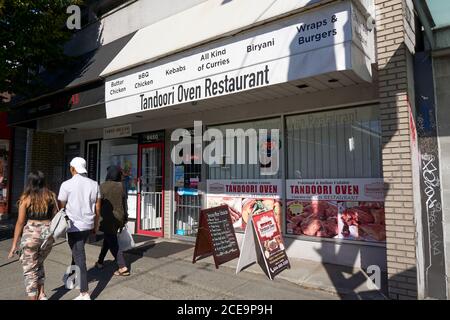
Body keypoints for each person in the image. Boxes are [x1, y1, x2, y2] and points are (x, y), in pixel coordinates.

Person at [7, 171, 58, 300]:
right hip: (47, 237)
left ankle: (33, 298)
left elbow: (20, 222)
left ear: (30, 182)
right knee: (38, 263)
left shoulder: (26, 198)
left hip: (31, 236)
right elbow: (55, 217)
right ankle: (42, 294)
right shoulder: (51, 196)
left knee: (30, 269)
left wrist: (14, 245)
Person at [58, 157, 101, 300]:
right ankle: (70, 278)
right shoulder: (94, 184)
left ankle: (84, 293)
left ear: (73, 168)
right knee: (76, 252)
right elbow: (98, 208)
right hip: (88, 225)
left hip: (73, 226)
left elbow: (61, 205)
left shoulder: (66, 184)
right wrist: (95, 226)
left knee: (79, 256)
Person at [95, 165, 130, 276]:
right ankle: (100, 261)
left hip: (107, 218)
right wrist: (125, 217)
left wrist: (96, 217)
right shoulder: (122, 186)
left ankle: (122, 266)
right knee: (108, 239)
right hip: (119, 217)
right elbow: (125, 203)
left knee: (112, 241)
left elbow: (98, 204)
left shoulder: (102, 186)